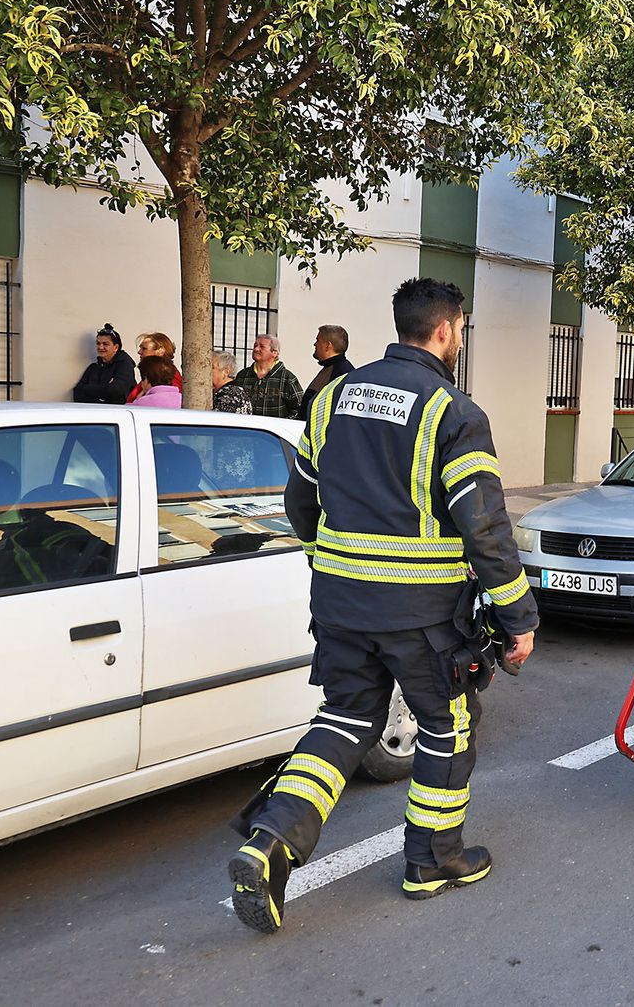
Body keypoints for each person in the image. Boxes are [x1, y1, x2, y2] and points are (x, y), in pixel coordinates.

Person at [226, 278, 536, 934]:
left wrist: (328, 560)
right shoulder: (453, 412)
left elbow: (300, 500)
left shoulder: (332, 397)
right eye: (461, 329)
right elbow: (484, 528)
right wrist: (519, 618)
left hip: (340, 603)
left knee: (344, 718)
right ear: (447, 330)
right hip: (421, 615)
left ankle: (270, 841)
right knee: (447, 726)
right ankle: (432, 861)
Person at [234, 334, 303, 419]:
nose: (256, 349)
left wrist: (283, 424)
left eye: (262, 347)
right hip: (245, 426)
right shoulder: (242, 376)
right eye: (255, 346)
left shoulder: (287, 378)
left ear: (274, 353)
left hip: (275, 427)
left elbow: (300, 409)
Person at [73, 324, 137, 404]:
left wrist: (86, 389)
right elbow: (77, 393)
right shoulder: (93, 367)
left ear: (116, 347)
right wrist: (103, 394)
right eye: (98, 343)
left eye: (105, 344)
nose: (100, 347)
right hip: (92, 410)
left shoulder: (125, 365)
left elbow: (115, 391)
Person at [300, 324, 354, 414]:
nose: (314, 344)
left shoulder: (342, 373)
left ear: (327, 346)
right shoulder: (330, 369)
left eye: (318, 341)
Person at [127, 333, 180, 404]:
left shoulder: (170, 376)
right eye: (140, 348)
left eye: (144, 349)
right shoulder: (152, 373)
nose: (139, 352)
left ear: (160, 351)